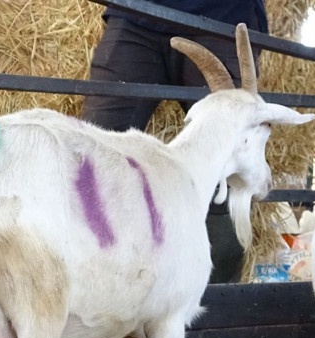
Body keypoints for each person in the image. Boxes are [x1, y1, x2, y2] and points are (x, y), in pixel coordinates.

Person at [82, 0, 269, 283]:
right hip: (136, 14)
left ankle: (216, 310)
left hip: (222, 16)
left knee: (227, 160)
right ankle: (97, 295)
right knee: (94, 150)